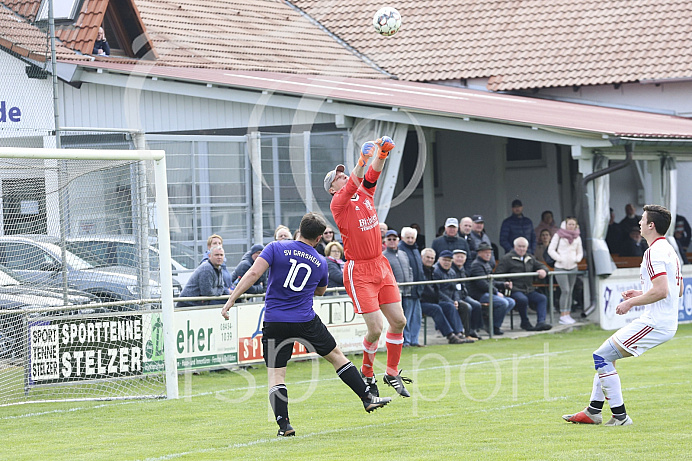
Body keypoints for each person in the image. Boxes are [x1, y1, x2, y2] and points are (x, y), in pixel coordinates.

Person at [221, 212, 390, 437]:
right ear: (319, 238)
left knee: (276, 375)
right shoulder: (320, 262)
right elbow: (320, 291)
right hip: (305, 320)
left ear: (299, 230)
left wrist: (231, 300)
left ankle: (285, 426)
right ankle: (367, 398)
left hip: (275, 320)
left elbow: (253, 273)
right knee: (337, 357)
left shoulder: (274, 248)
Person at [563, 204, 682, 427]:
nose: (639, 223)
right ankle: (593, 411)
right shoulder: (669, 249)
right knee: (605, 356)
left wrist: (630, 303)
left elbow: (662, 290)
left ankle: (619, 416)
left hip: (655, 323)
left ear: (651, 225)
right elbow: (678, 289)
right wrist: (641, 292)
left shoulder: (653, 252)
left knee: (601, 356)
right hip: (662, 322)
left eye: (642, 219)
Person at [324, 136, 411, 397]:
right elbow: (355, 179)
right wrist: (362, 160)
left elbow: (371, 175)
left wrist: (381, 154)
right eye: (337, 177)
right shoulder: (338, 203)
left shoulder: (364, 193)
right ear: (332, 188)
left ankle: (392, 373)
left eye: (343, 174)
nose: (343, 177)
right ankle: (367, 372)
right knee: (375, 329)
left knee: (399, 321)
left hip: (380, 265)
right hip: (359, 269)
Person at [495, 237, 553, 331]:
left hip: (528, 289)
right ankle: (525, 322)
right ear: (514, 247)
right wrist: (505, 284)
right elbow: (498, 274)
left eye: (524, 247)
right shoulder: (507, 259)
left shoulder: (530, 258)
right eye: (519, 246)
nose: (522, 249)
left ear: (527, 247)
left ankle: (541, 322)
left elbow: (541, 265)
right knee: (523, 299)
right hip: (514, 289)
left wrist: (543, 270)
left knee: (542, 298)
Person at [419, 248, 468, 344]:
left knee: (451, 306)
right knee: (437, 308)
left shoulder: (433, 270)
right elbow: (432, 291)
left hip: (437, 300)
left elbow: (455, 289)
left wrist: (455, 300)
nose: (430, 260)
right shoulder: (425, 271)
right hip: (421, 301)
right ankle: (450, 335)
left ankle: (459, 333)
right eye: (427, 257)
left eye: (432, 258)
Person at [467, 242, 516, 335]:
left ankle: (493, 324)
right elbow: (482, 284)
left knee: (511, 302)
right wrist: (496, 292)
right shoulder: (477, 265)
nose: (488, 254)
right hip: (479, 294)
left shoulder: (486, 264)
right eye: (486, 252)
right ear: (479, 253)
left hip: (487, 292)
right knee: (503, 302)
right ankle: (493, 326)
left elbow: (491, 281)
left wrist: (503, 284)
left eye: (489, 252)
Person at [383, 230, 418, 348]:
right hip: (394, 293)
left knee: (409, 316)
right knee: (398, 318)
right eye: (389, 239)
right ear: (385, 241)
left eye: (394, 239)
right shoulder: (383, 256)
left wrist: (410, 283)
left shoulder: (403, 254)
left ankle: (410, 340)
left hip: (407, 291)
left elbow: (409, 269)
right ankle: (403, 341)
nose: (392, 241)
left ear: (398, 240)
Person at [547, 217, 583, 325]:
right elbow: (551, 249)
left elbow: (580, 252)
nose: (571, 226)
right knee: (565, 290)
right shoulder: (558, 235)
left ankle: (568, 313)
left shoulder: (577, 237)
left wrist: (577, 259)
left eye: (573, 224)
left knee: (570, 291)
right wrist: (559, 258)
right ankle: (562, 315)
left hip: (572, 267)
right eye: (569, 224)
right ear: (565, 224)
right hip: (560, 266)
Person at [434, 250, 475, 343]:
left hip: (451, 299)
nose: (446, 262)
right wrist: (451, 301)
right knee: (450, 307)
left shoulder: (452, 272)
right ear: (439, 260)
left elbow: (455, 288)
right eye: (444, 260)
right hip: (439, 300)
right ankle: (456, 333)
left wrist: (456, 300)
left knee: (464, 306)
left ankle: (463, 333)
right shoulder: (436, 271)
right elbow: (437, 291)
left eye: (449, 260)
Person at [398, 226, 425, 347]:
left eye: (412, 237)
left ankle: (415, 340)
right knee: (406, 317)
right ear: (402, 238)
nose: (410, 240)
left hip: (417, 289)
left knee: (416, 317)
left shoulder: (415, 249)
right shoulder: (401, 250)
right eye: (408, 237)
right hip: (407, 290)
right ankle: (407, 340)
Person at [450, 249, 483, 339]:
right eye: (458, 257)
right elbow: (453, 288)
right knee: (468, 307)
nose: (460, 259)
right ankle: (467, 332)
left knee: (477, 305)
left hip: (463, 295)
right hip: (454, 297)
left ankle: (474, 329)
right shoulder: (451, 269)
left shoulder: (462, 269)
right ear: (453, 258)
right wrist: (456, 299)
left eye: (462, 257)